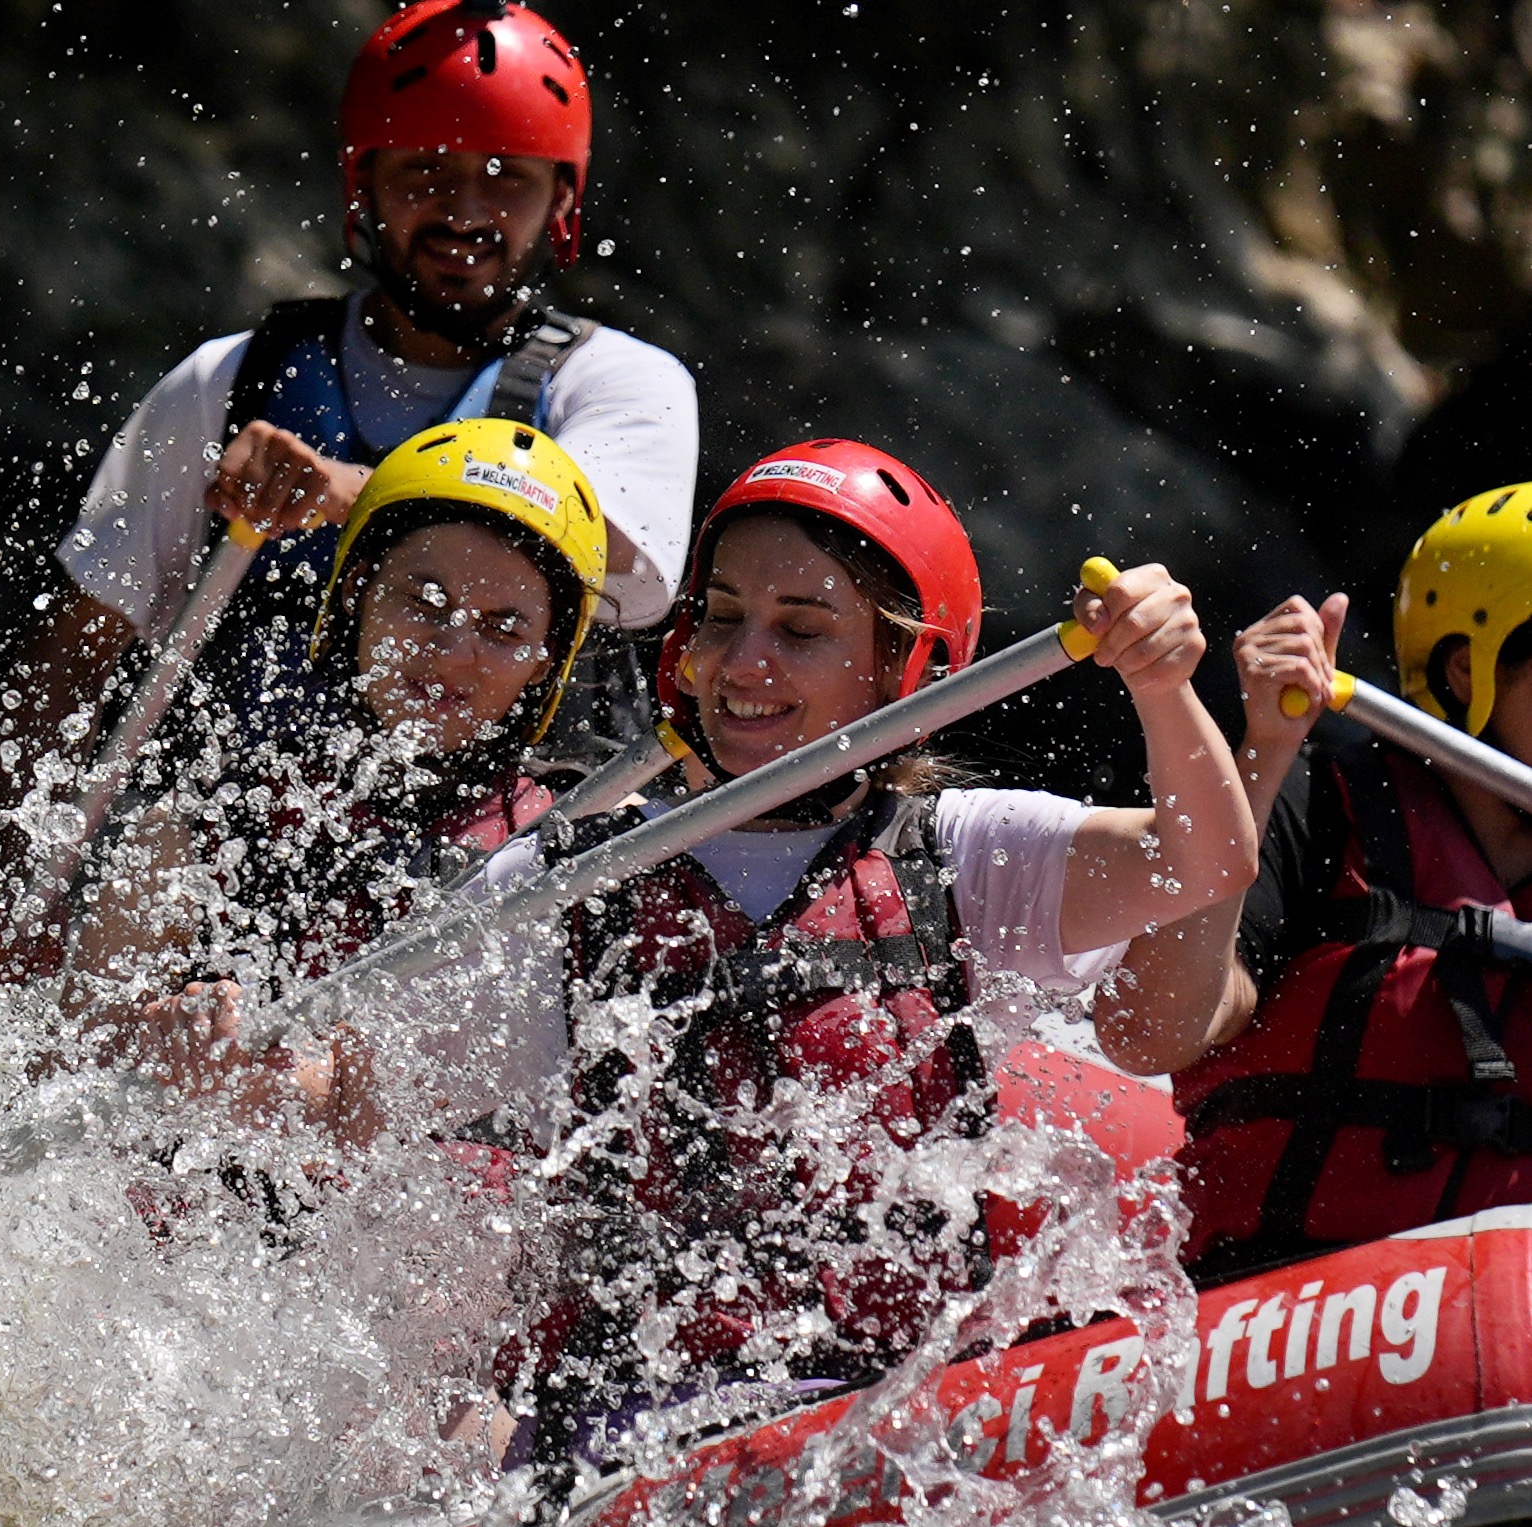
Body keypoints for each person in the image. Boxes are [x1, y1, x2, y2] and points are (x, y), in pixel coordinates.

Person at [144, 440, 1260, 1414]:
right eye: (724, 619)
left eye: (802, 631)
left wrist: (1161, 686)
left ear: (901, 673)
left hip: (896, 1411)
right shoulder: (563, 880)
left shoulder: (966, 853)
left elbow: (1206, 857)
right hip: (635, 1422)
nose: (745, 662)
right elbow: (364, 1101)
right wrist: (236, 1075)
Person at [12, 0, 697, 782]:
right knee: (161, 838)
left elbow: (634, 579)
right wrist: (14, 879)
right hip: (241, 840)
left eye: (507, 178)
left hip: (496, 859)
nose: (466, 212)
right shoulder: (228, 380)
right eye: (426, 170)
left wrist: (347, 493)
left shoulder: (623, 384)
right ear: (362, 185)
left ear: (562, 204)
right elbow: (69, 663)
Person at [60, 417, 606, 1141]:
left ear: (545, 664)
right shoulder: (209, 818)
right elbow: (66, 1068)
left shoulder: (580, 848)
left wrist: (277, 1096)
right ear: (355, 593)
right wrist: (159, 1051)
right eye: (424, 600)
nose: (451, 651)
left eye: (503, 629)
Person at [1102, 485, 1532, 1276]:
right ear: (1470, 671)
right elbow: (1149, 1032)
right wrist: (1264, 748)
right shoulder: (1325, 809)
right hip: (1280, 1313)